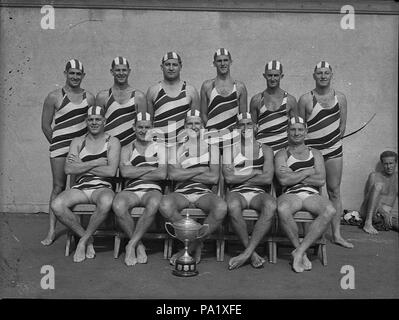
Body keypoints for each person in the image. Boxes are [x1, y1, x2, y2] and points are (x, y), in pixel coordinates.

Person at [51, 106, 121, 263]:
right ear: (86, 121)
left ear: (104, 121)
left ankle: (82, 241)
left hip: (102, 188)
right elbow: (69, 168)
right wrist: (96, 162)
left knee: (107, 201)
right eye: (90, 120)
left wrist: (81, 165)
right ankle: (87, 238)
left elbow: (110, 171)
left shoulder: (113, 141)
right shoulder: (77, 141)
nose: (94, 123)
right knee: (56, 205)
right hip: (80, 188)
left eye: (98, 119)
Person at [159, 110, 227, 265]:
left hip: (204, 193)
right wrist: (200, 169)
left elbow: (214, 177)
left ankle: (190, 246)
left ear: (202, 126)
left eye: (197, 123)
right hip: (181, 193)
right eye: (190, 123)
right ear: (184, 126)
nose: (194, 126)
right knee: (164, 204)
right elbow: (173, 175)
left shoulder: (212, 147)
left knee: (222, 207)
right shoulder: (175, 147)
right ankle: (194, 241)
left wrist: (185, 172)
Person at [298, 61, 353, 248]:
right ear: (314, 75)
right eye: (319, 73)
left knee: (334, 191)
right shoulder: (305, 99)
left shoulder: (341, 98)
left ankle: (337, 234)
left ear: (331, 75)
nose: (323, 76)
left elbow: (342, 127)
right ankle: (311, 236)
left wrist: (330, 144)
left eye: (326, 73)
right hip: (313, 153)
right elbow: (299, 128)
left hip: (334, 151)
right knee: (314, 191)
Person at [41, 59, 95, 245]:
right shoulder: (54, 96)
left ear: (83, 76)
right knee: (58, 187)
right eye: (71, 73)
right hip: (59, 148)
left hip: (79, 151)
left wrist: (81, 149)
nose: (74, 77)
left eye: (78, 74)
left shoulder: (89, 97)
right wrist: (57, 143)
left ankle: (76, 230)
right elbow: (45, 125)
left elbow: (92, 124)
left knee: (75, 189)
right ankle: (51, 231)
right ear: (65, 74)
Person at [275, 116, 336, 273]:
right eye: (293, 129)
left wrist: (294, 174)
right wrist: (309, 171)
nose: (296, 133)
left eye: (300, 129)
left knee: (330, 210)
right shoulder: (281, 154)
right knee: (282, 209)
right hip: (291, 194)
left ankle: (300, 251)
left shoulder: (315, 153)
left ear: (306, 132)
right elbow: (283, 180)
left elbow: (321, 180)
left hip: (311, 195)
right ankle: (299, 249)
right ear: (287, 132)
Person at [112, 112, 167, 266]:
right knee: (118, 205)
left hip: (152, 190)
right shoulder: (127, 148)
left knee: (155, 203)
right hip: (131, 190)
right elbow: (125, 172)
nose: (143, 130)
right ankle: (139, 244)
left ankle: (131, 244)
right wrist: (151, 169)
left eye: (147, 127)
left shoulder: (160, 148)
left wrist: (135, 171)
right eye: (140, 127)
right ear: (134, 127)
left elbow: (162, 174)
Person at [222, 112, 276, 270]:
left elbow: (267, 179)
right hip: (237, 192)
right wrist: (254, 172)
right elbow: (229, 179)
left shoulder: (265, 149)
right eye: (241, 125)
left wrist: (239, 174)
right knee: (232, 205)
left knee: (271, 205)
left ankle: (246, 253)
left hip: (259, 192)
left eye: (249, 124)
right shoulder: (229, 149)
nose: (246, 128)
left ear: (256, 127)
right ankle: (251, 253)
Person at [146, 52, 200, 146]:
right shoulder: (153, 91)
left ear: (180, 66)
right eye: (167, 64)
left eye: (174, 65)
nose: (171, 68)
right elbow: (149, 123)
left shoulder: (191, 91)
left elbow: (196, 124)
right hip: (159, 146)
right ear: (162, 67)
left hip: (183, 146)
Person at [200, 48, 247, 148]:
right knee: (214, 164)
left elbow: (243, 117)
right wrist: (210, 130)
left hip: (233, 138)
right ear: (214, 63)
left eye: (225, 60)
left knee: (229, 164)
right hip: (211, 137)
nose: (222, 63)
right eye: (219, 61)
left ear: (230, 62)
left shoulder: (239, 87)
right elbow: (203, 114)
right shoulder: (207, 86)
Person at [96, 56, 147, 147]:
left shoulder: (139, 97)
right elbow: (97, 126)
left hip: (131, 148)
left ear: (129, 71)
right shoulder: (102, 97)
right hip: (108, 147)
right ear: (112, 72)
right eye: (117, 70)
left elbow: (144, 127)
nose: (121, 73)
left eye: (124, 70)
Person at [250, 60, 297, 153]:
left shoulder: (290, 100)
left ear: (281, 76)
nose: (272, 79)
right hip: (262, 147)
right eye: (269, 75)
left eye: (276, 75)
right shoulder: (256, 100)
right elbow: (251, 129)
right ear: (264, 76)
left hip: (283, 147)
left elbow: (296, 127)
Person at [360, 151, 398, 234]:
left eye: (391, 163)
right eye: (386, 164)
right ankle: (368, 223)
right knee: (378, 185)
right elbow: (369, 199)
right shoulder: (374, 176)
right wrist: (384, 213)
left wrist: (388, 213)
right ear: (382, 164)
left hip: (387, 214)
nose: (388, 166)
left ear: (396, 163)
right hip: (372, 211)